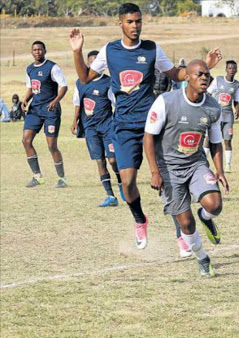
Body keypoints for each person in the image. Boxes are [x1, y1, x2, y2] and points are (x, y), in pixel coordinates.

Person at [69, 2, 222, 250]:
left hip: (155, 124)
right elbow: (85, 78)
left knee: (168, 180)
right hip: (124, 126)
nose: (135, 26)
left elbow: (174, 74)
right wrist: (77, 51)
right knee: (128, 182)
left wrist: (203, 68)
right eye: (130, 21)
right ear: (120, 23)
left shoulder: (152, 49)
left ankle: (181, 235)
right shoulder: (110, 51)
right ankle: (140, 220)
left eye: (138, 21)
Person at [143, 60, 229, 278]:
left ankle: (206, 217)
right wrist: (155, 171)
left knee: (215, 205)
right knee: (186, 223)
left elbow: (216, 142)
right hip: (168, 169)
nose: (204, 78)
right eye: (199, 74)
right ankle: (202, 257)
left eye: (207, 75)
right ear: (187, 77)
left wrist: (220, 171)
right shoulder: (166, 102)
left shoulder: (212, 107)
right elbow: (149, 137)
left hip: (196, 164)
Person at [71, 50, 124, 207]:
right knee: (99, 160)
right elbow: (77, 102)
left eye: (97, 62)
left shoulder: (109, 82)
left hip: (108, 126)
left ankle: (120, 181)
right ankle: (110, 196)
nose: (95, 65)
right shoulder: (80, 82)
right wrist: (75, 121)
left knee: (113, 159)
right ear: (87, 63)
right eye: (91, 62)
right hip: (90, 128)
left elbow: (116, 103)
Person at [22, 41, 68, 188]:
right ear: (31, 52)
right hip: (35, 110)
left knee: (51, 145)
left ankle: (62, 178)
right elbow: (31, 88)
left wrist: (55, 101)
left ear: (45, 51)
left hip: (50, 111)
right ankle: (37, 176)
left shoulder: (52, 67)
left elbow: (64, 86)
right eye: (35, 50)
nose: (37, 52)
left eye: (40, 49)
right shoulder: (29, 69)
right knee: (26, 140)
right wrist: (25, 100)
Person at [205, 60, 239, 173]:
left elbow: (236, 99)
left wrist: (237, 110)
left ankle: (228, 166)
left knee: (227, 141)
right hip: (216, 115)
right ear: (226, 69)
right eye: (229, 68)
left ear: (236, 70)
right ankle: (204, 163)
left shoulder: (237, 85)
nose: (231, 70)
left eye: (233, 68)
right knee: (209, 139)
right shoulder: (218, 80)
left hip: (228, 116)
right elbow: (209, 93)